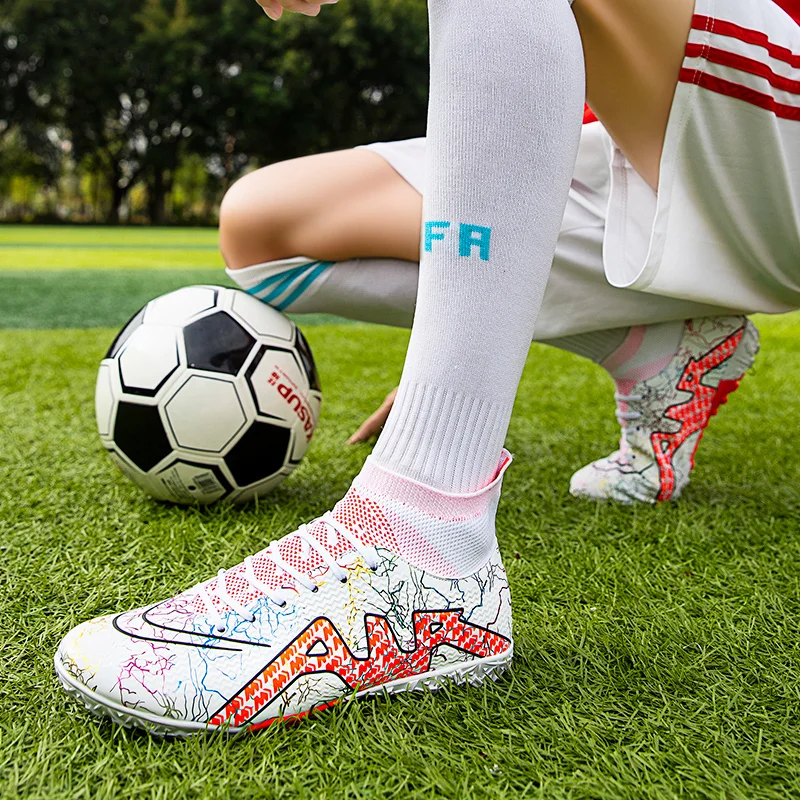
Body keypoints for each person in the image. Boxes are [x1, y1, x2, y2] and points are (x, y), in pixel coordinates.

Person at [55, 0, 800, 735]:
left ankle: (424, 539)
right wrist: (453, 354)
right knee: (262, 227)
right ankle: (656, 346)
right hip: (601, 145)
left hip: (757, 125)